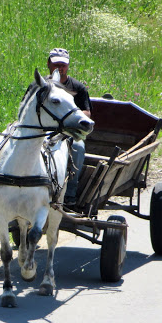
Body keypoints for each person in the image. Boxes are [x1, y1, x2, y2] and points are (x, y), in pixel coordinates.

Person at [46, 48, 92, 206]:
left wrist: (71, 118)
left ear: (68, 66)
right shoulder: (40, 85)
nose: (59, 67)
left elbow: (87, 112)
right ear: (48, 64)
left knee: (78, 148)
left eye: (63, 64)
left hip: (69, 131)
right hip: (44, 129)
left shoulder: (77, 87)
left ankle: (70, 194)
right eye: (56, 64)